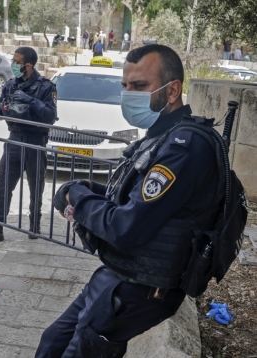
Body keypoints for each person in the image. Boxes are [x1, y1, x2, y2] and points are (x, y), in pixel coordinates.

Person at [36, 44, 221, 357]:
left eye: (139, 86)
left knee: (78, 349)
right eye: (125, 86)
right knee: (53, 341)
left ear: (172, 90)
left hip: (143, 286)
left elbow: (125, 227)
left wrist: (77, 196)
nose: (128, 94)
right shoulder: (161, 134)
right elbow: (130, 197)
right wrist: (84, 188)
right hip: (119, 273)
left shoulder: (184, 148)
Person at [0, 47, 57, 245]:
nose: (13, 65)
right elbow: (2, 110)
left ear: (28, 66)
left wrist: (31, 101)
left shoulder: (46, 87)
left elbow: (50, 117)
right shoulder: (10, 86)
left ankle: (35, 225)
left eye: (16, 62)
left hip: (35, 143)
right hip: (14, 140)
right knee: (3, 186)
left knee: (36, 186)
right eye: (13, 61)